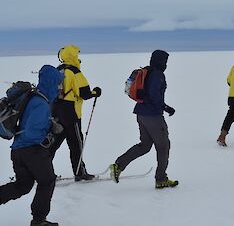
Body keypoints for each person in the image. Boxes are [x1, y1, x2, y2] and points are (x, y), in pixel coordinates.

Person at [0, 65, 64, 226]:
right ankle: (39, 221)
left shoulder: (34, 98)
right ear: (51, 83)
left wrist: (49, 124)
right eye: (58, 83)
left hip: (18, 151)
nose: (60, 87)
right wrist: (48, 135)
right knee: (47, 181)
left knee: (23, 185)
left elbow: (28, 124)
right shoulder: (41, 103)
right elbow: (31, 132)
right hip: (32, 150)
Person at [110, 50, 179, 189]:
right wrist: (166, 107)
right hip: (153, 116)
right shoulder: (158, 74)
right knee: (163, 146)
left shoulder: (147, 71)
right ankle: (161, 179)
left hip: (141, 114)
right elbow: (154, 95)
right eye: (165, 61)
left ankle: (118, 165)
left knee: (145, 145)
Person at [49, 45, 102, 181]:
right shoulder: (75, 72)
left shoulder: (57, 70)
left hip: (56, 110)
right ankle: (80, 173)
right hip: (71, 112)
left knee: (53, 142)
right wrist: (96, 92)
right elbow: (84, 93)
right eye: (77, 55)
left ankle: (43, 172)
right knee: (76, 142)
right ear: (73, 56)